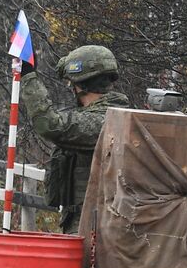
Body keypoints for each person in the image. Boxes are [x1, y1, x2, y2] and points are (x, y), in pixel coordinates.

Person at [18, 44, 129, 234]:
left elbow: (51, 125)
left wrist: (29, 78)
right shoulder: (111, 115)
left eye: (71, 83)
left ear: (80, 85)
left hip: (94, 226)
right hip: (89, 221)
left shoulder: (106, 120)